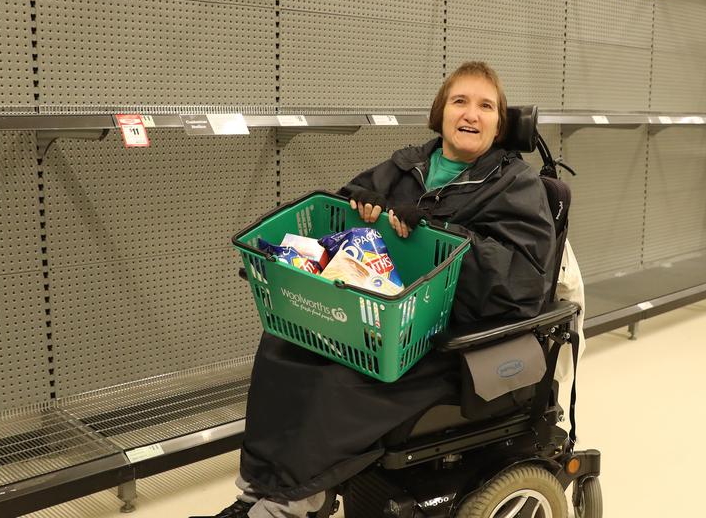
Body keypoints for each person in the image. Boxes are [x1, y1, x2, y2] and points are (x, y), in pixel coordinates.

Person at [214, 62, 556, 517]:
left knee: (339, 377)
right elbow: (347, 204)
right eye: (460, 101)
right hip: (378, 314)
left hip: (445, 336)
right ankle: (257, 488)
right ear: (441, 113)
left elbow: (523, 278)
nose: (471, 113)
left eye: (485, 105)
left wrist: (443, 234)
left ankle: (294, 501)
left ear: (500, 125)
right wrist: (363, 207)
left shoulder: (516, 186)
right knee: (283, 346)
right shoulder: (407, 164)